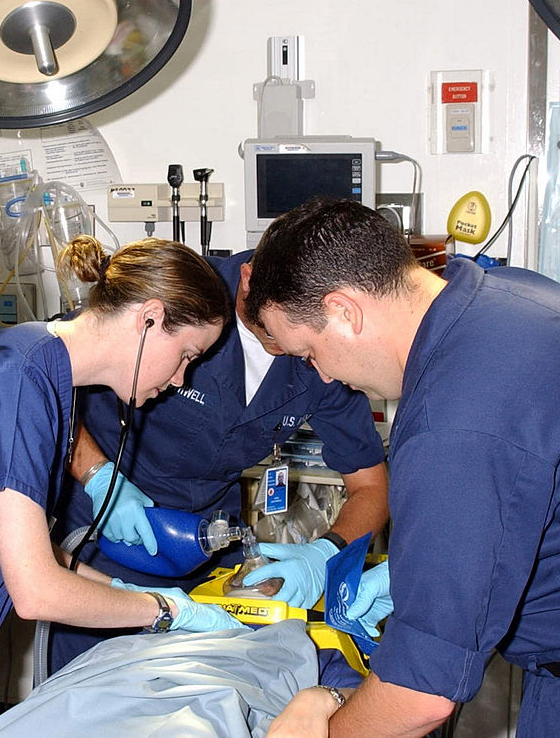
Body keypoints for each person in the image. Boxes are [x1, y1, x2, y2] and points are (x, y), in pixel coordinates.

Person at [246, 197, 560, 737]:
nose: (320, 377)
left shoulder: (455, 419)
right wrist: (414, 575)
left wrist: (328, 721)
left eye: (308, 352)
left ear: (345, 311)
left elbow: (421, 699)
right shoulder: (503, 295)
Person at [0, 235, 245, 738]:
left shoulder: (45, 374)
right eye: (185, 355)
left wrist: (123, 589)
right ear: (149, 318)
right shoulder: (16, 381)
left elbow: (22, 548)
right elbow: (36, 591)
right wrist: (165, 611)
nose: (180, 379)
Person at [50, 249, 388, 674]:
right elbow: (54, 382)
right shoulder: (185, 298)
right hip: (109, 535)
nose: (300, 351)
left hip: (208, 548)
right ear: (247, 281)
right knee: (94, 697)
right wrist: (99, 476)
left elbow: (371, 487)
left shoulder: (317, 339)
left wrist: (325, 554)